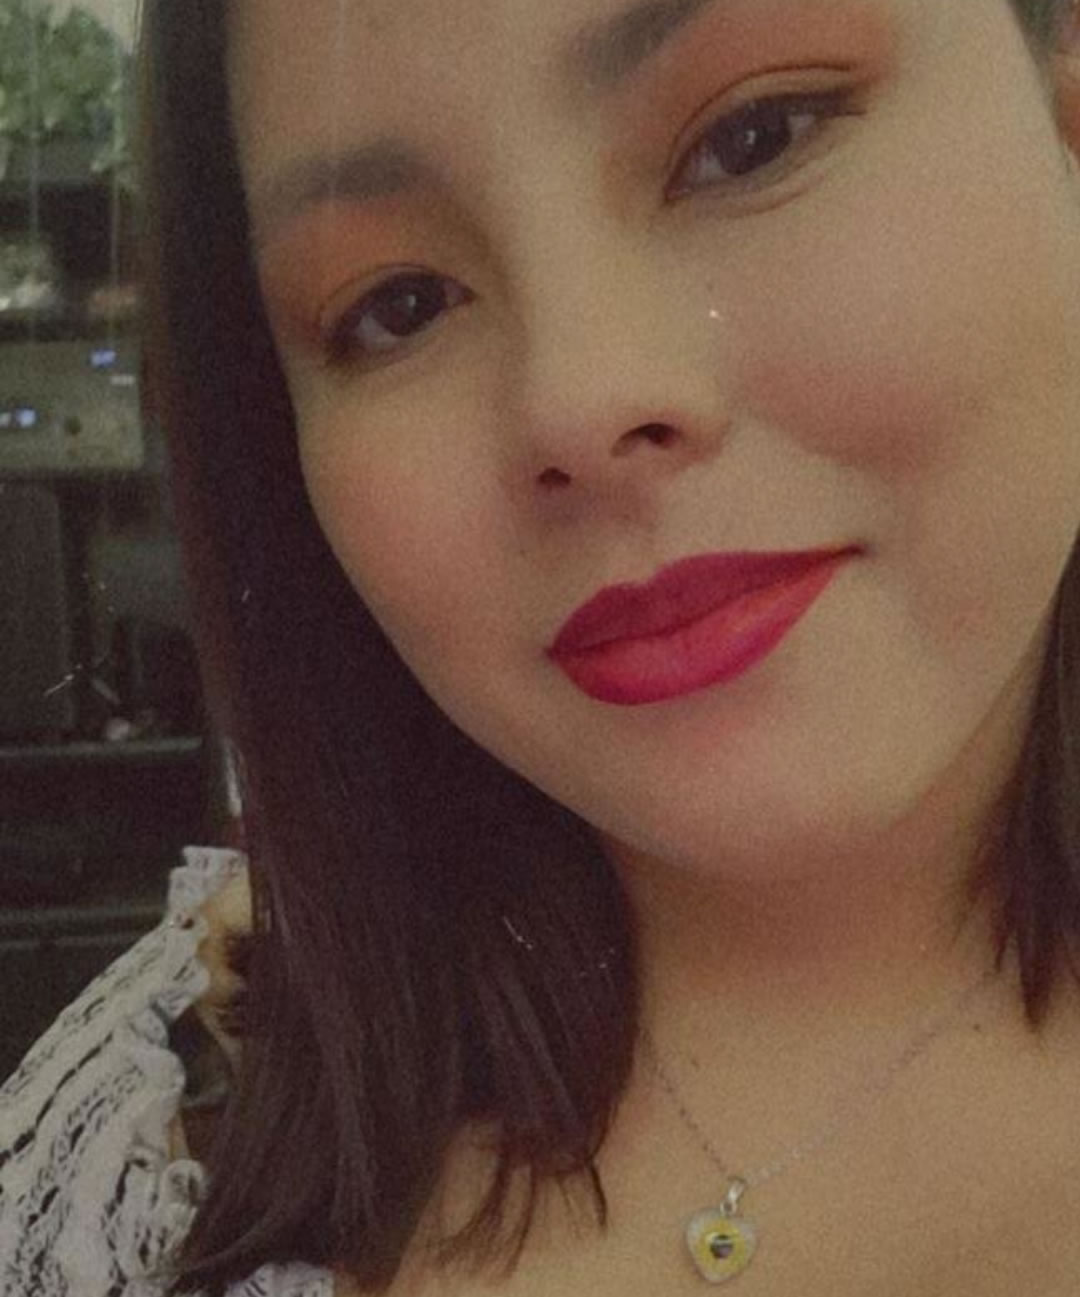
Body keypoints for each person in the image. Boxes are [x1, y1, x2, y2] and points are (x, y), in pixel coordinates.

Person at [4, 0, 1080, 1292]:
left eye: (755, 137)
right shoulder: (143, 1145)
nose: (580, 397)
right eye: (399, 306)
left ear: (1065, 114)